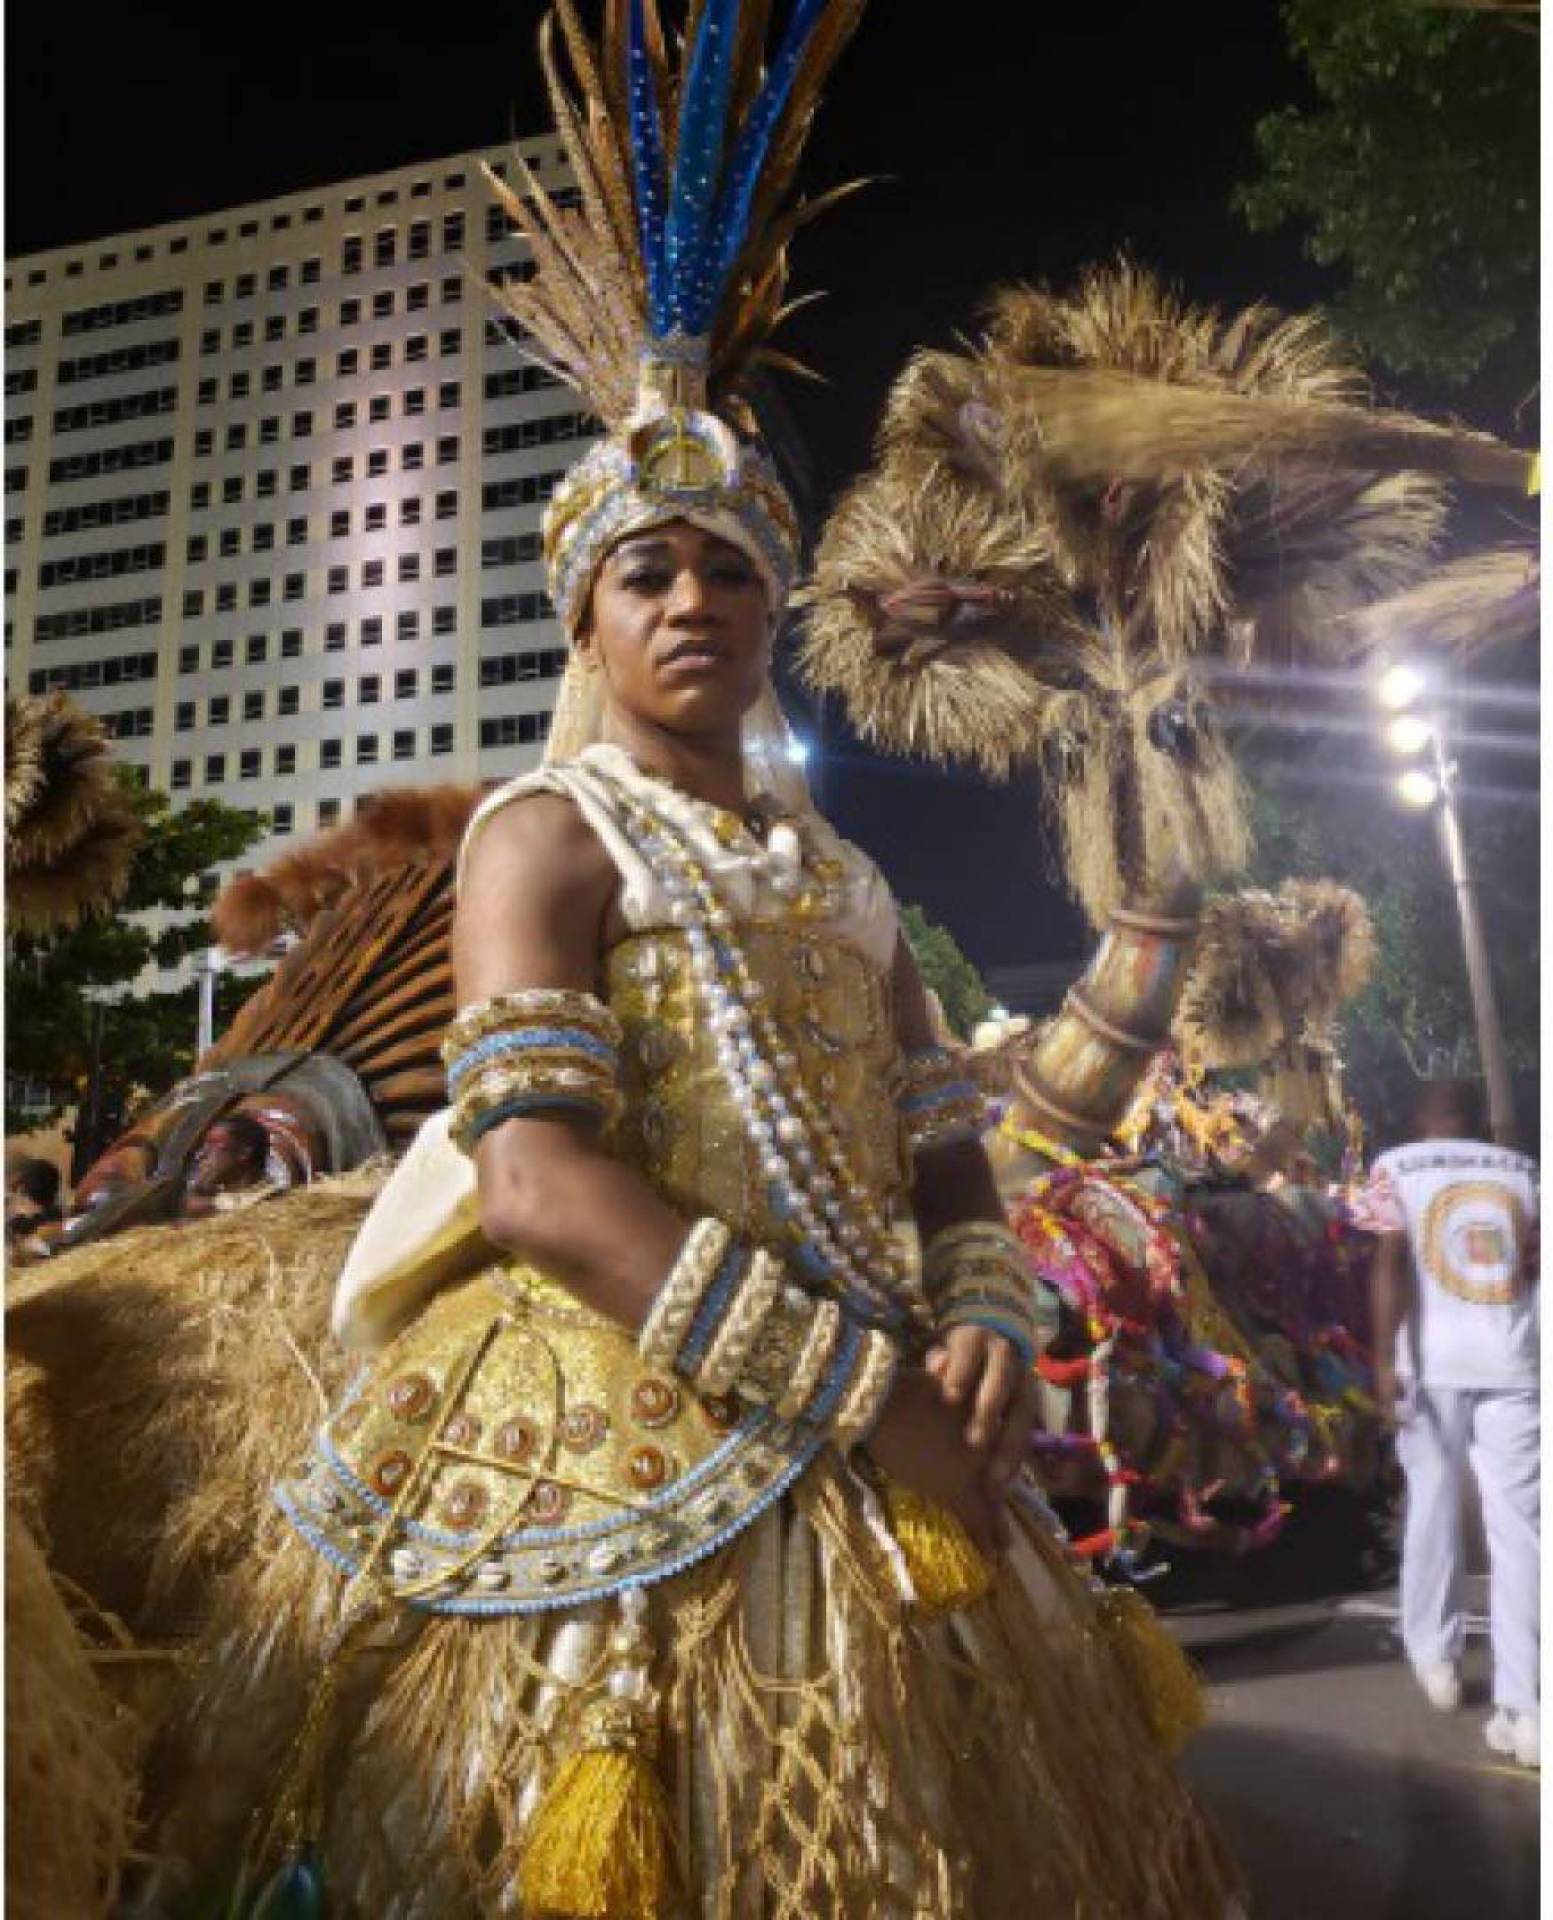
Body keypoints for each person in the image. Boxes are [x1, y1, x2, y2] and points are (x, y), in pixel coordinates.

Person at [146, 5, 1240, 1913]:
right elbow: (532, 1177)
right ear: (587, 609)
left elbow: (942, 1146)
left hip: (896, 1419)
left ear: (773, 604)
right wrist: (851, 1389)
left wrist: (981, 1317)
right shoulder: (543, 836)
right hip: (614, 1422)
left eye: (731, 568)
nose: (693, 603)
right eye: (648, 571)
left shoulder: (842, 879)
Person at [1362, 1079, 1540, 1769]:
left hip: (1427, 1366)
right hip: (1512, 1362)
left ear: (1420, 1117)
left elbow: (1386, 1265)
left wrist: (1380, 1359)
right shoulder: (1526, 1173)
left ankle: (1435, 1660)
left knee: (1430, 1506)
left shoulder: (1394, 1168)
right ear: (1476, 1122)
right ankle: (1525, 1711)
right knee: (1520, 1530)